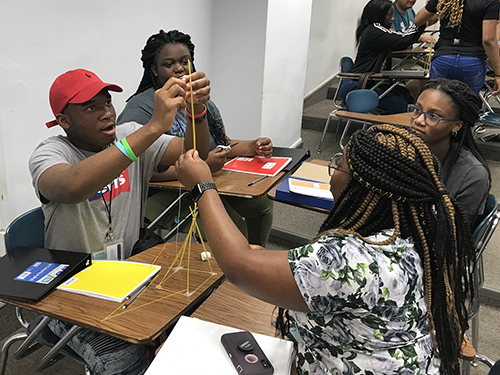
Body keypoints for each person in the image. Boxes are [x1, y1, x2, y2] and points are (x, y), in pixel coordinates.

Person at [175, 124, 475, 374]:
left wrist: (202, 186)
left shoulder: (351, 259)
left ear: (360, 186)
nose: (333, 172)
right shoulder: (424, 227)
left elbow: (238, 265)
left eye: (339, 165)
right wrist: (267, 262)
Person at [28, 68, 211, 374]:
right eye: (90, 107)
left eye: (107, 103)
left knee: (194, 316)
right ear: (64, 121)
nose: (105, 113)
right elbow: (71, 186)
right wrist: (152, 128)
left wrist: (197, 112)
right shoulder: (51, 152)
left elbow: (195, 152)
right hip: (69, 295)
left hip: (130, 277)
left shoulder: (128, 134)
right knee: (125, 359)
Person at [118, 29, 274, 246]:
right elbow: (136, 171)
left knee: (262, 206)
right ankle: (243, 268)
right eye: (169, 63)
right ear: (154, 69)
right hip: (161, 194)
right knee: (234, 226)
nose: (179, 68)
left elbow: (221, 142)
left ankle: (257, 262)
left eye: (185, 61)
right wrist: (203, 166)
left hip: (201, 180)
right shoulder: (140, 109)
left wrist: (252, 145)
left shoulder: (201, 100)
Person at [409, 78, 491, 225]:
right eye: (417, 110)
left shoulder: (471, 175)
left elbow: (453, 236)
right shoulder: (398, 149)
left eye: (433, 116)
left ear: (456, 126)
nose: (419, 120)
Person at [339, 0, 426, 114]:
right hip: (358, 86)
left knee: (408, 97)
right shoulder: (374, 30)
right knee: (402, 107)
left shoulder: (372, 30)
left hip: (366, 82)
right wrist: (420, 23)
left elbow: (400, 40)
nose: (393, 18)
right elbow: (402, 39)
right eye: (389, 15)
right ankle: (389, 131)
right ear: (379, 16)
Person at [414, 0, 500, 95]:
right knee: (467, 105)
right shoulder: (490, 2)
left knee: (439, 104)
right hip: (471, 61)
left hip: (443, 59)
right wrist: (498, 75)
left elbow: (417, 20)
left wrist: (435, 10)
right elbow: (488, 40)